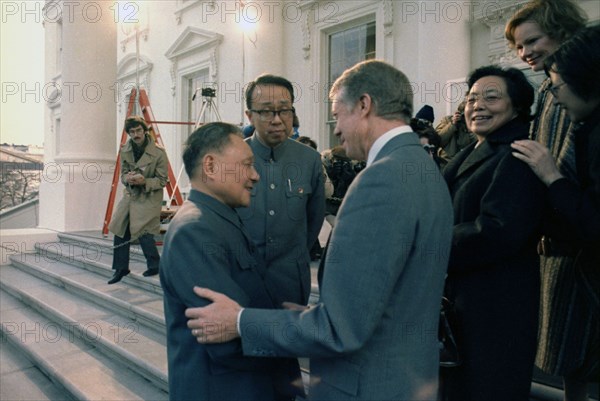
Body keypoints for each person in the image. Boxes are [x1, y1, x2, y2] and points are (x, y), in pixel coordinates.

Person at [186, 60, 454, 400]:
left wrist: (238, 321)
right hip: (405, 378)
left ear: (364, 105)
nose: (336, 129)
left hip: (367, 385)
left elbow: (339, 329)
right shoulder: (422, 168)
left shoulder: (379, 181)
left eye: (338, 114)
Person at [159, 122, 303, 401]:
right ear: (210, 167)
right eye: (247, 164)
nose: (255, 176)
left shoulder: (218, 217)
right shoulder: (195, 230)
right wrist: (301, 331)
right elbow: (227, 342)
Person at [440, 66, 546, 401]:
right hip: (465, 302)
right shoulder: (474, 149)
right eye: (471, 98)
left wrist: (431, 241)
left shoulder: (516, 153)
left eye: (491, 97)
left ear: (517, 106)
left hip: (497, 304)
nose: (477, 106)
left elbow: (498, 231)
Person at [505, 1, 590, 397]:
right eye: (519, 47)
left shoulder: (577, 85)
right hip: (559, 236)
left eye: (532, 41)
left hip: (578, 235)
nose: (525, 54)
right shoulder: (547, 89)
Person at [238, 73, 325, 306]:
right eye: (266, 111)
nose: (277, 119)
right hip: (242, 280)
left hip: (290, 282)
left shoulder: (310, 160)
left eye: (284, 110)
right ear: (250, 116)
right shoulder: (233, 159)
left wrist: (292, 257)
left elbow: (314, 219)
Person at [107, 116, 167, 284]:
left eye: (139, 130)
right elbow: (123, 174)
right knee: (120, 228)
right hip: (131, 195)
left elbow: (163, 180)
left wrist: (144, 181)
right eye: (132, 132)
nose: (136, 134)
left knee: (144, 230)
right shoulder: (125, 150)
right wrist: (128, 178)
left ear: (144, 130)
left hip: (149, 196)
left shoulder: (158, 152)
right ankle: (121, 268)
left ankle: (155, 264)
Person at [434, 100, 474, 168]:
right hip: (446, 162)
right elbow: (438, 140)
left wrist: (470, 128)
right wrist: (453, 124)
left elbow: (469, 144)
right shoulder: (447, 120)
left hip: (462, 164)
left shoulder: (471, 125)